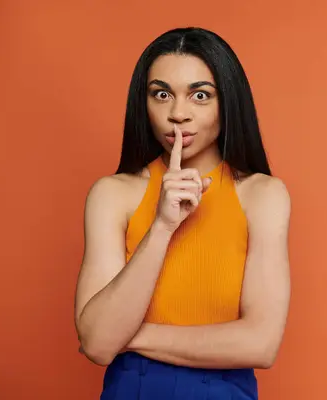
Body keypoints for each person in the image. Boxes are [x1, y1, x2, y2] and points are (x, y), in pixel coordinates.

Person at [74, 27, 291, 399]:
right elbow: (96, 346)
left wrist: (127, 335)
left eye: (200, 95)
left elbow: (260, 344)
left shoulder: (262, 195)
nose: (178, 114)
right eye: (162, 94)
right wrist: (162, 225)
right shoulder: (112, 194)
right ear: (143, 104)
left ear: (228, 102)